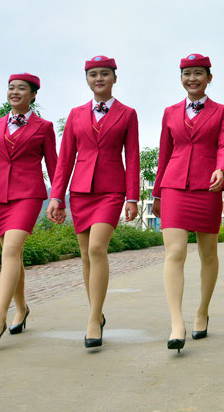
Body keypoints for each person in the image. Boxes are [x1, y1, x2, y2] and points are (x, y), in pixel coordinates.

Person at [0, 74, 60, 347]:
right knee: (11, 256)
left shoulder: (44, 127)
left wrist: (58, 198)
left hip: (29, 195)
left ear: (33, 95)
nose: (15, 92)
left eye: (22, 89)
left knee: (11, 251)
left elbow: (55, 165)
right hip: (0, 198)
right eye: (11, 88)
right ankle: (22, 309)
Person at [46, 56, 140, 348]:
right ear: (87, 80)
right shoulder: (75, 114)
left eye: (104, 74)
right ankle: (96, 314)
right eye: (92, 75)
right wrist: (56, 195)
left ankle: (92, 318)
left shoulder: (127, 114)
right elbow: (65, 160)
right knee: (86, 255)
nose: (98, 79)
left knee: (98, 248)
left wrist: (132, 197)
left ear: (114, 78)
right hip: (81, 192)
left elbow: (133, 157)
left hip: (112, 191)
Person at [152, 54, 224, 353]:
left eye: (198, 73)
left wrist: (222, 169)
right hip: (174, 185)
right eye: (187, 73)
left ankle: (202, 310)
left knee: (208, 253)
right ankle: (177, 322)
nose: (192, 79)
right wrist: (157, 194)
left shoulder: (222, 111)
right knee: (174, 252)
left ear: (209, 77)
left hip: (208, 186)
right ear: (181, 78)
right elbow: (164, 152)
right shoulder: (170, 112)